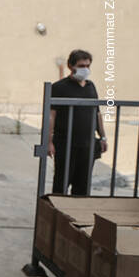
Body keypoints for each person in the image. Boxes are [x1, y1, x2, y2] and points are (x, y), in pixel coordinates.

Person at [48, 49, 108, 195]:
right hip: (65, 144)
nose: (85, 69)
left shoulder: (90, 86)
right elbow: (51, 116)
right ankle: (58, 208)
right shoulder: (59, 87)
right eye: (81, 66)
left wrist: (103, 137)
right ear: (71, 66)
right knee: (61, 183)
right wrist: (49, 141)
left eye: (88, 66)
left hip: (88, 144)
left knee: (83, 186)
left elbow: (97, 113)